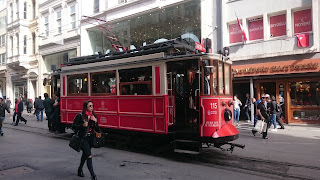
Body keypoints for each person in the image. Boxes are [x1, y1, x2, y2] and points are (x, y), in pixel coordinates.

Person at [73, 100, 99, 180]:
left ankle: (80, 169)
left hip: (90, 139)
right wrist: (82, 125)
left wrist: (95, 121)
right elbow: (73, 126)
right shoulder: (80, 116)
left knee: (85, 155)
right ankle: (93, 175)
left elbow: (97, 129)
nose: (92, 108)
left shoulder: (93, 116)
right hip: (82, 138)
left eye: (92, 106)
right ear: (86, 107)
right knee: (89, 155)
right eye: (90, 106)